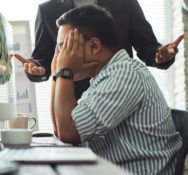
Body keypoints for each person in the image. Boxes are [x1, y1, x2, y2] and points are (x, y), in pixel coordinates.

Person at [50, 5, 182, 174]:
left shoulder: (124, 74)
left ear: (94, 46)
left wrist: (64, 72)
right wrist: (57, 75)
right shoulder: (102, 81)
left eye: (66, 46)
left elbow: (68, 133)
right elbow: (60, 130)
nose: (61, 56)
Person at [14, 0, 183, 100]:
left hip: (120, 91)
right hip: (74, 99)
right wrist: (36, 69)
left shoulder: (124, 2)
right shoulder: (47, 10)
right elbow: (41, 59)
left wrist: (161, 56)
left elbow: (147, 46)